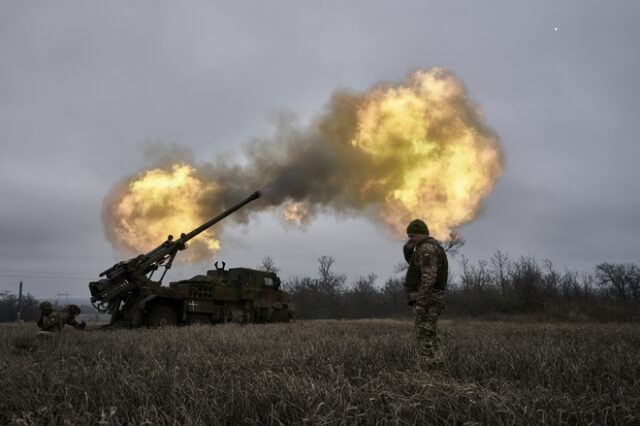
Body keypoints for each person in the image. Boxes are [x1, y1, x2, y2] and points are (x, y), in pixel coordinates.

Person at [403, 219, 448, 369]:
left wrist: (421, 302)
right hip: (431, 299)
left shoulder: (427, 249)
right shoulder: (425, 248)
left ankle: (432, 373)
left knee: (425, 336)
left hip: (428, 301)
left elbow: (428, 278)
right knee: (430, 336)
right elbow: (416, 266)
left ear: (421, 234)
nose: (410, 239)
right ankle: (437, 369)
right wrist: (408, 250)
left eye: (412, 236)